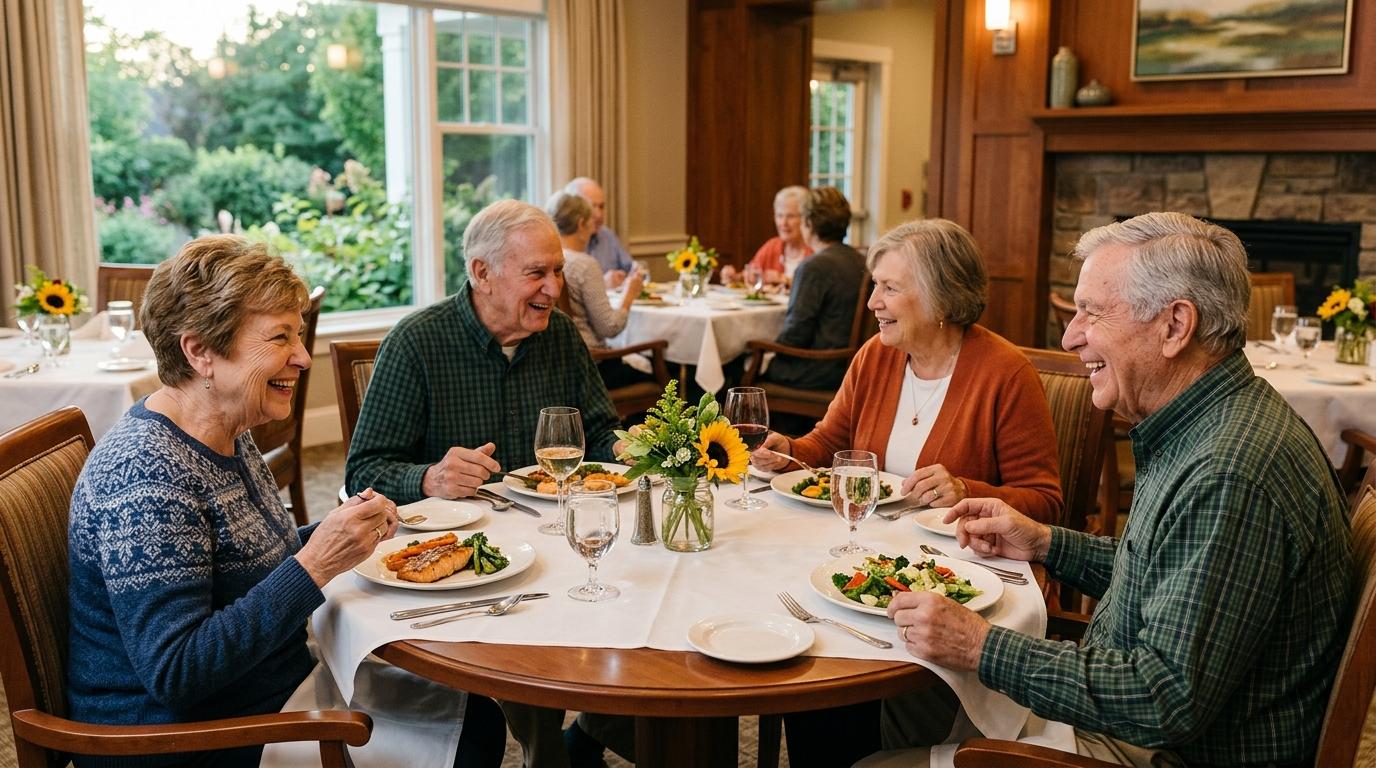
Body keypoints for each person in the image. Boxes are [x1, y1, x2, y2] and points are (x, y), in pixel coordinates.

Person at [869, 212, 1352, 767]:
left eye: (1092, 313)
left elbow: (1162, 698)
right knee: (917, 697)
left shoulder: (1229, 473)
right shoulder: (1207, 421)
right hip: (1140, 718)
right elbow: (1160, 570)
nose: (1071, 335)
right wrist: (1046, 543)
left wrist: (981, 646)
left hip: (1164, 751)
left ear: (1175, 326)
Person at [66, 235, 504, 768]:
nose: (301, 356)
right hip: (187, 740)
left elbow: (237, 561)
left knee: (474, 710)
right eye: (279, 338)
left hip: (260, 691)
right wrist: (316, 562)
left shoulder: (224, 427)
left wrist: (339, 533)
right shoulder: (147, 477)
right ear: (199, 351)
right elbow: (176, 673)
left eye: (297, 335)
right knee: (470, 735)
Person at [344, 199, 621, 768]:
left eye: (558, 271)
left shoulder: (561, 336)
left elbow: (599, 432)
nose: (553, 287)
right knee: (530, 647)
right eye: (537, 273)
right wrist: (430, 477)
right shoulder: (418, 343)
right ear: (481, 272)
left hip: (562, 535)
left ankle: (595, 731)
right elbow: (362, 471)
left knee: (631, 596)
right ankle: (550, 753)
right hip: (473, 560)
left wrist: (641, 447)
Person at [754, 218, 1061, 520]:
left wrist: (966, 491)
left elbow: (1044, 502)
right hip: (871, 541)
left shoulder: (1006, 374)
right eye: (876, 285)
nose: (873, 302)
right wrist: (788, 452)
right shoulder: (875, 355)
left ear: (942, 298)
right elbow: (829, 443)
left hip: (953, 559)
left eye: (890, 288)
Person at [761, 186, 867, 391]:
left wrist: (760, 348)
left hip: (818, 370)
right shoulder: (860, 260)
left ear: (808, 223)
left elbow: (794, 336)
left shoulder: (813, 267)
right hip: (852, 366)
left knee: (735, 362)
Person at [545, 190, 649, 389]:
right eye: (591, 221)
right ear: (581, 224)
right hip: (594, 366)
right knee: (665, 376)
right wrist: (629, 294)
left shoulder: (553, 260)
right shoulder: (585, 264)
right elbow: (610, 327)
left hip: (562, 365)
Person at [720, 185, 813, 287]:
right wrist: (734, 277)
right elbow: (750, 276)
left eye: (790, 216)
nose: (783, 223)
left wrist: (785, 280)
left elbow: (817, 289)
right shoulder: (772, 246)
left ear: (805, 218)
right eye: (779, 215)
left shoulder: (815, 251)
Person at [565, 176, 633, 288]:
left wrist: (627, 278)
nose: (599, 215)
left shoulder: (608, 236)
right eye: (592, 206)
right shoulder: (564, 244)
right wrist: (603, 284)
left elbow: (632, 271)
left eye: (601, 207)